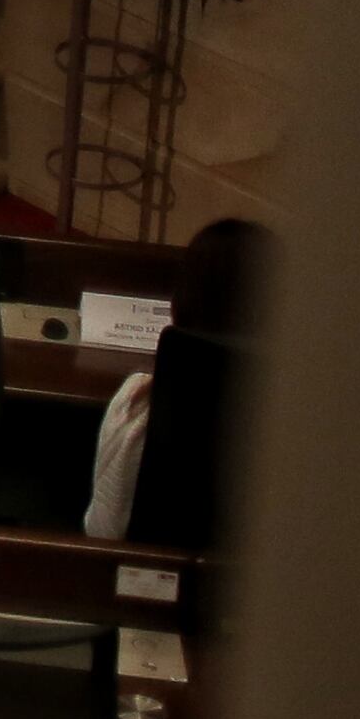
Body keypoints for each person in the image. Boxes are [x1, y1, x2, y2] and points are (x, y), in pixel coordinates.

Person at [82, 217, 257, 548]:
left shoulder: (137, 404)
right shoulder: (300, 422)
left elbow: (103, 532)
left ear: (185, 295)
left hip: (146, 585)